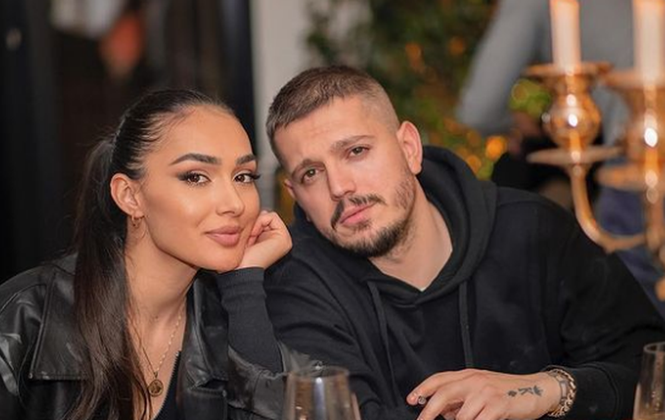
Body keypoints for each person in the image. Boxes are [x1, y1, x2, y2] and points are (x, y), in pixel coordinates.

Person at [264, 66, 665, 420]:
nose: (339, 187)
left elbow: (649, 372)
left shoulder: (531, 228)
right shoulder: (295, 281)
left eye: (356, 151)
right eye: (311, 173)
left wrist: (542, 392)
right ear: (296, 194)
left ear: (409, 148)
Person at [0, 89, 310, 420]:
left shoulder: (231, 321)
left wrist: (244, 286)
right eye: (195, 177)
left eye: (243, 177)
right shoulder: (4, 337)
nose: (234, 203)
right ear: (129, 196)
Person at [456, 0, 665, 315]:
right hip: (641, 146)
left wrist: (512, 123)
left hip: (643, 158)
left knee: (632, 304)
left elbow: (478, 109)